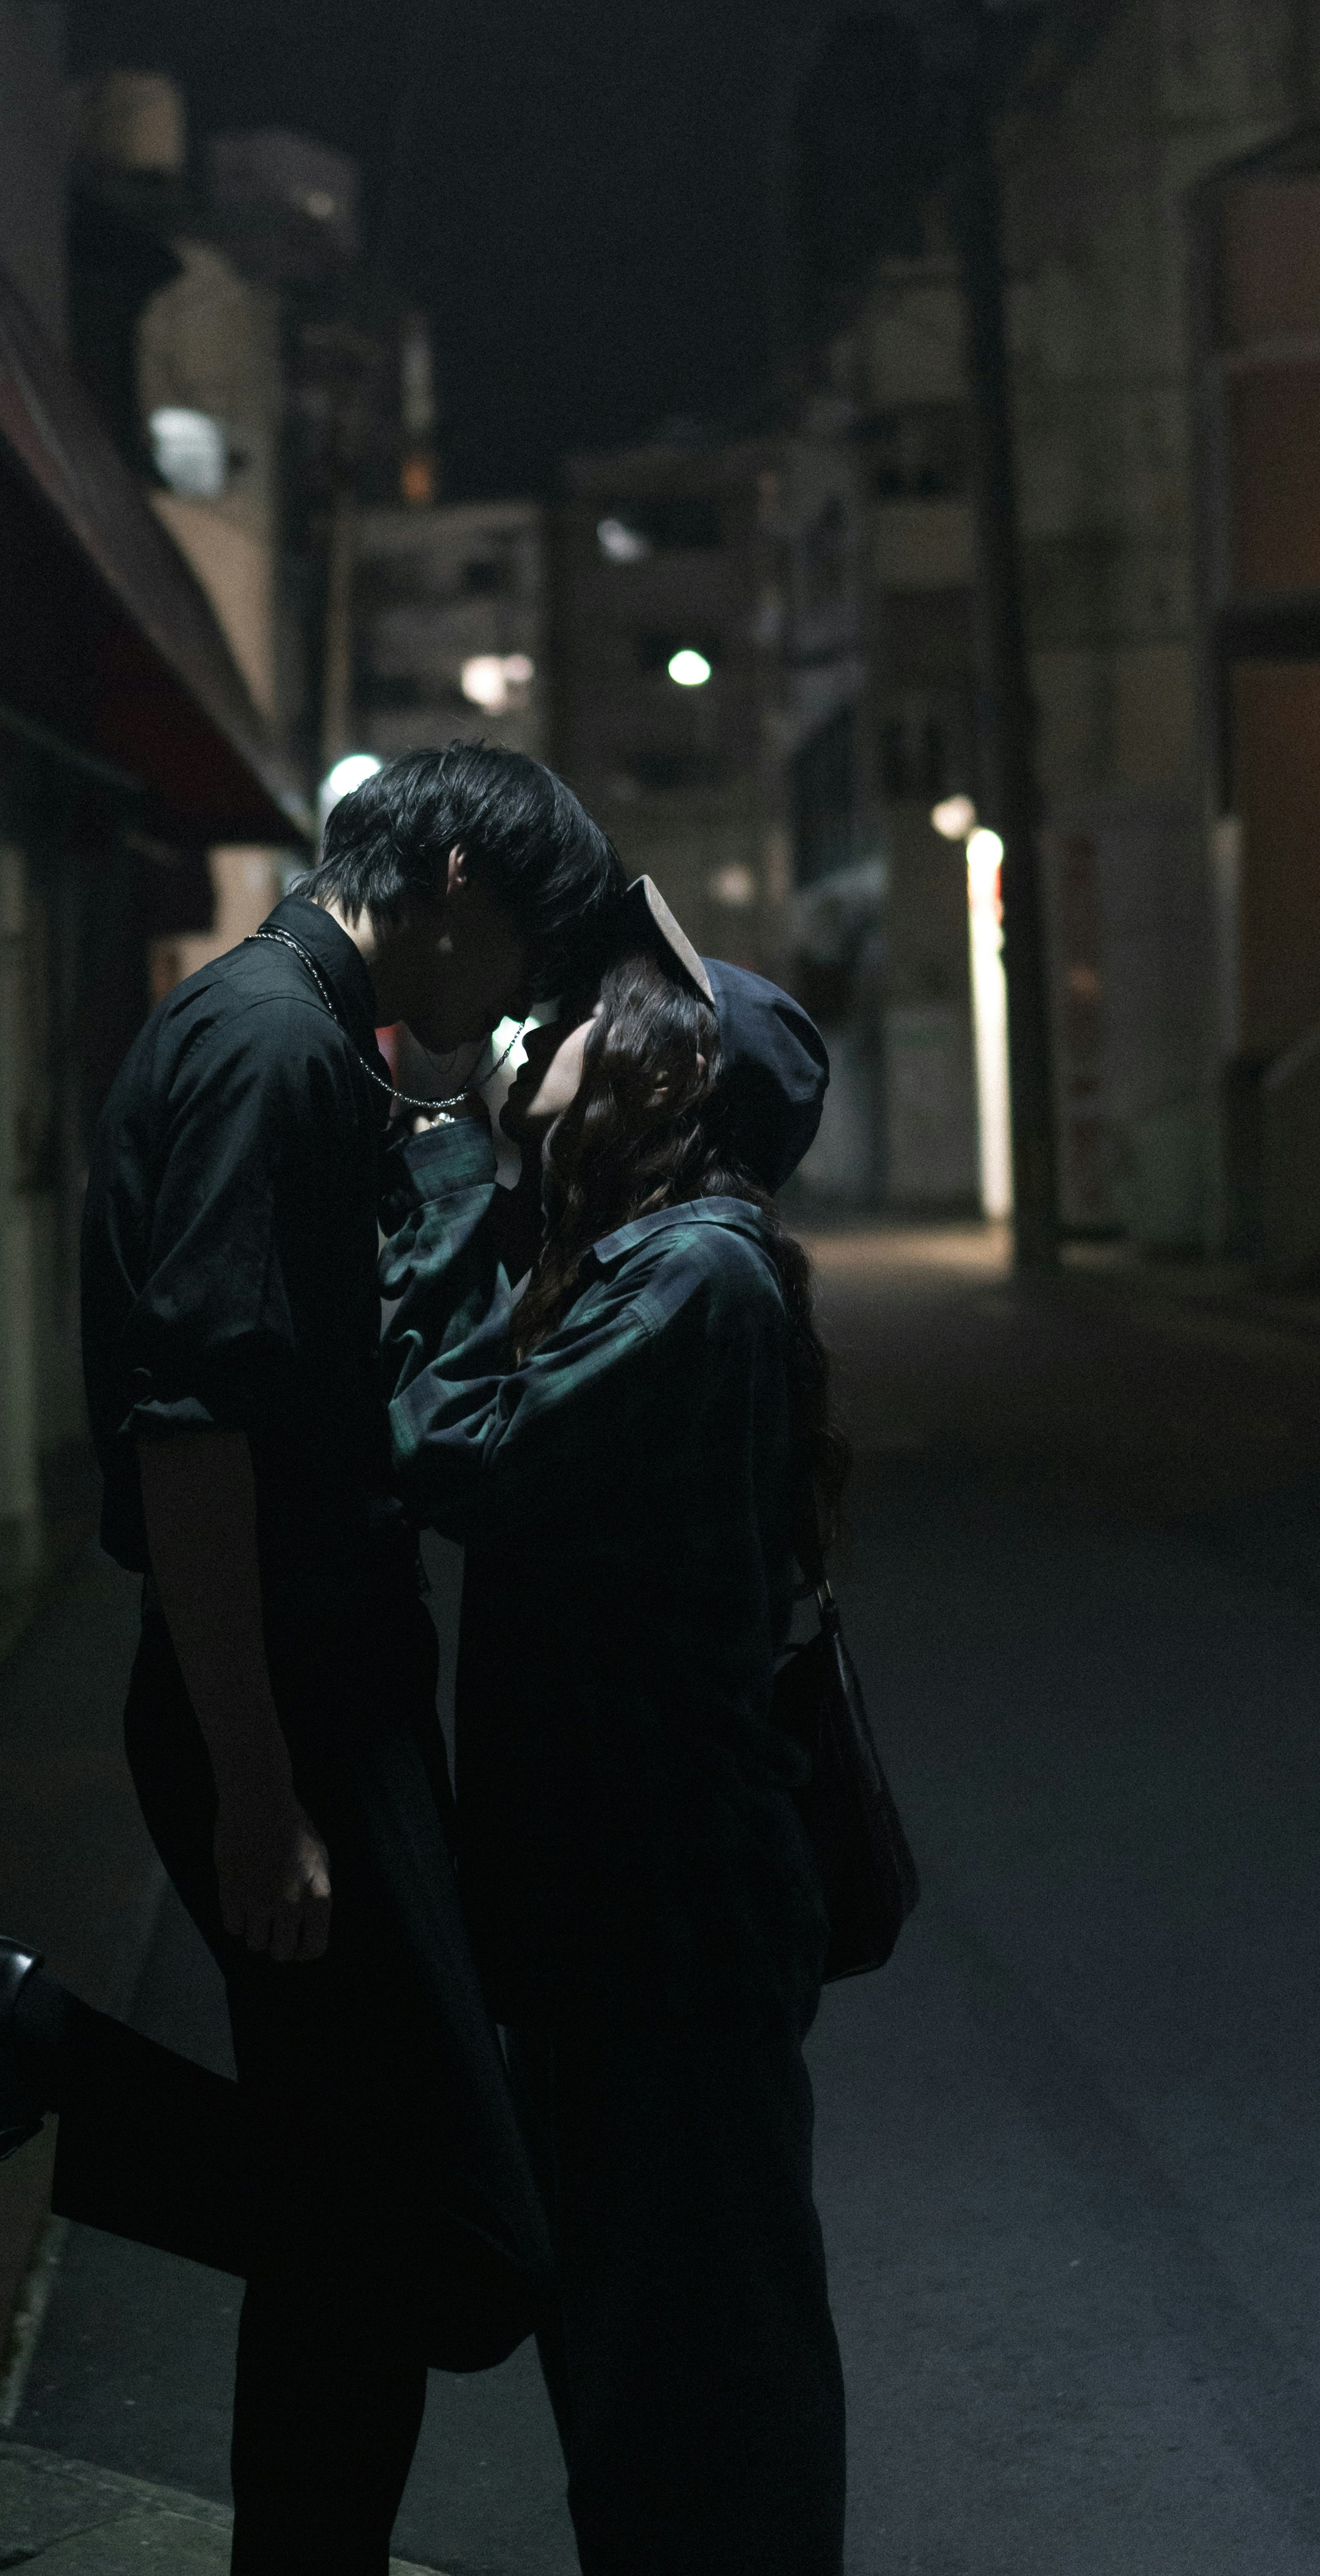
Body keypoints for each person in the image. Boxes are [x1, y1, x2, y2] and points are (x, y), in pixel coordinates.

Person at [0, 743, 624, 2574]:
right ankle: (28, 2052)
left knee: (342, 2199)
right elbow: (195, 1431)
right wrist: (260, 1785)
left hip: (317, 1690)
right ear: (449, 876)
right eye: (522, 947)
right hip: (291, 1703)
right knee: (469, 2244)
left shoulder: (299, 1036)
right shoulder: (276, 1047)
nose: (519, 993)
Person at [377, 876, 848, 2576]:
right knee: (661, 2378)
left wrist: (451, 1159)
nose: (543, 1031)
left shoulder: (689, 1282)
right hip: (635, 1920)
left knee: (693, 2398)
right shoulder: (645, 1266)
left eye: (585, 1016)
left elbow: (459, 1454)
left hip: (663, 1929)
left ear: (662, 1072)